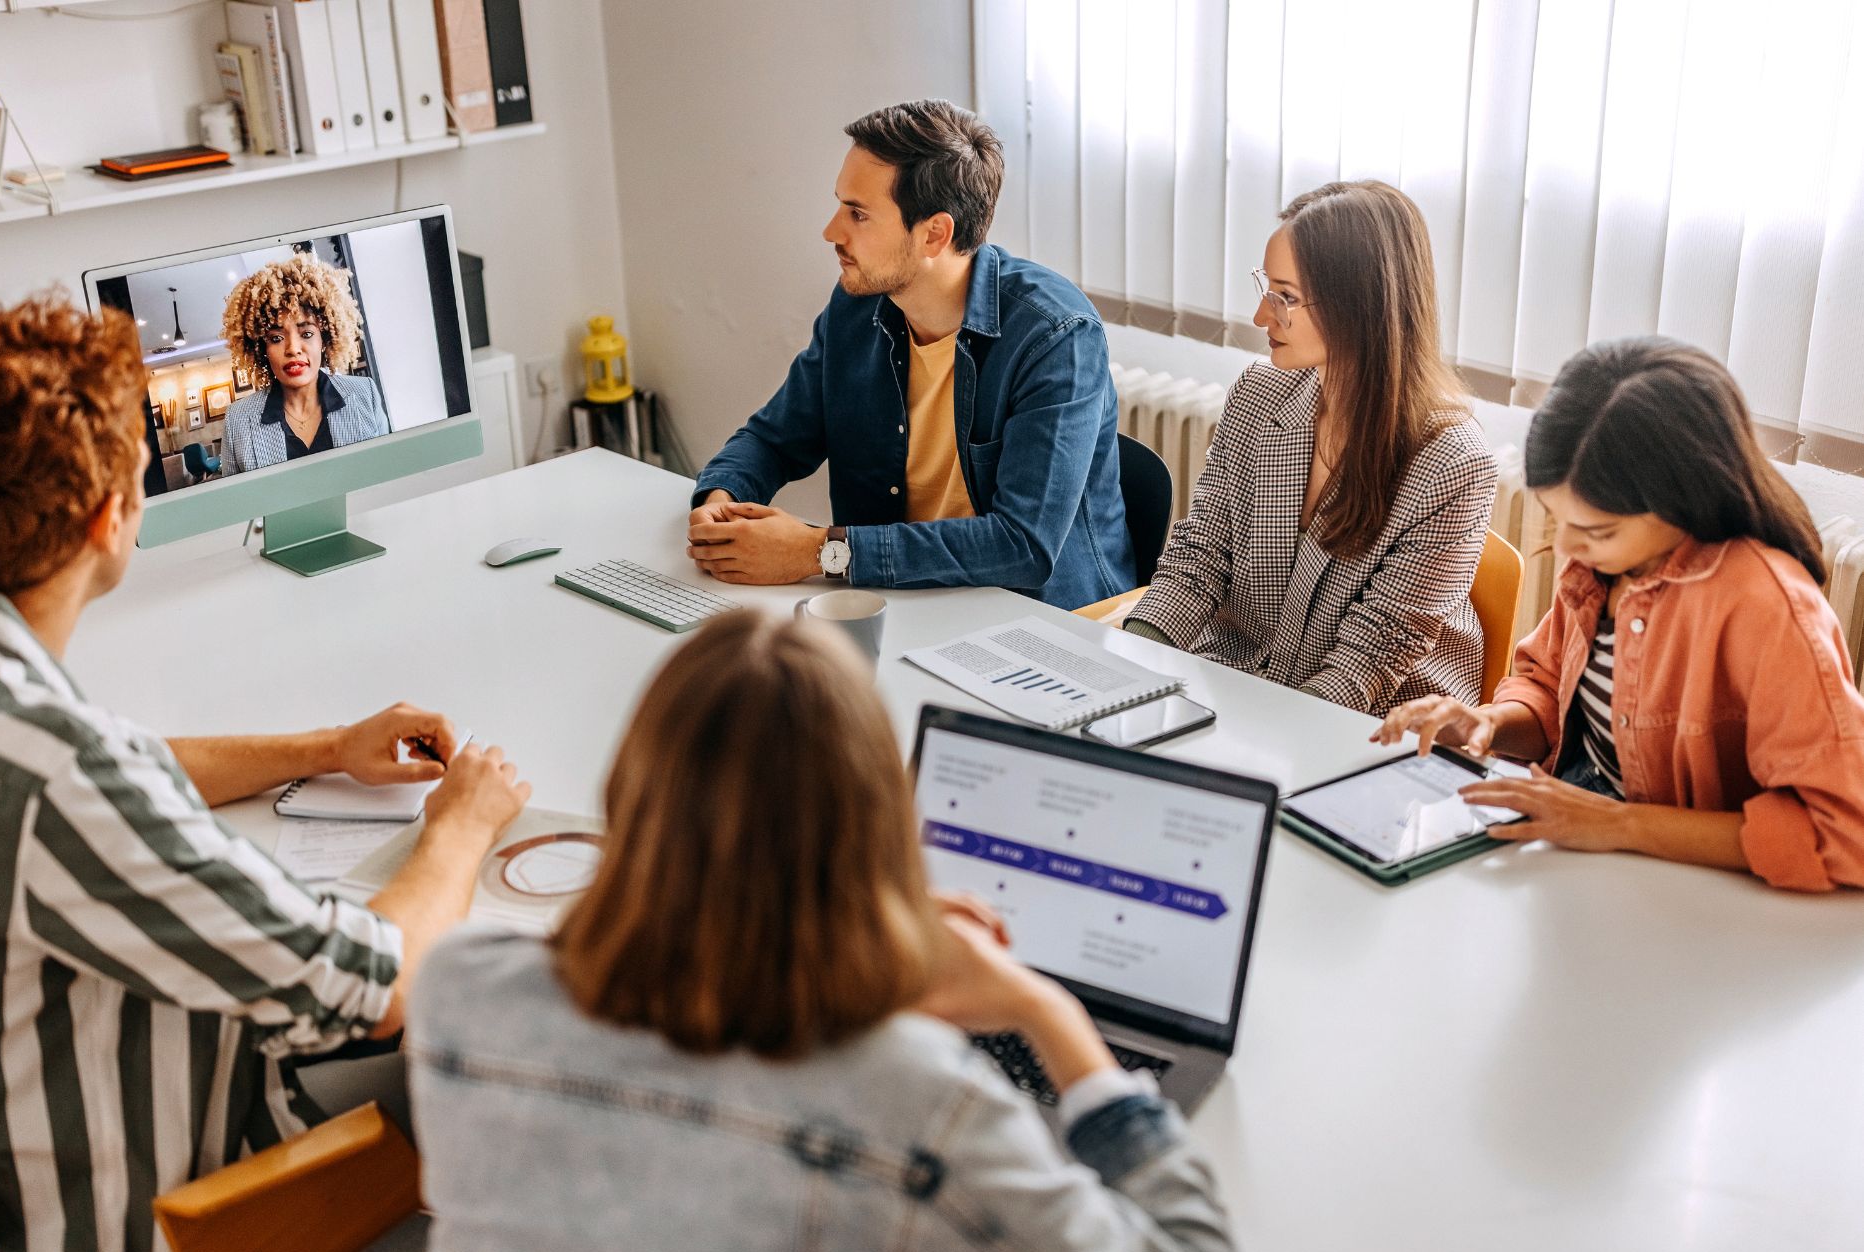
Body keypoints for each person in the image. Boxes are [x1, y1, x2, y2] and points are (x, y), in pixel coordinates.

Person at [0, 295, 530, 1252]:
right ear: (113, 516)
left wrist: (324, 747)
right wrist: (462, 824)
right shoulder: (60, 783)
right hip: (157, 1249)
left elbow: (118, 753)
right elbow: (377, 986)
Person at [408, 609, 1249, 1252]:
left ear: (632, 800)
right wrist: (1045, 1010)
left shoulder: (459, 991)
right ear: (880, 838)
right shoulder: (922, 1109)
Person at [1375, 337, 1864, 889]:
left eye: (1597, 530)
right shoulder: (1601, 569)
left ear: (1687, 497)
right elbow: (1544, 685)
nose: (1567, 548)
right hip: (1580, 850)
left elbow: (1845, 832)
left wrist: (1618, 823)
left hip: (1689, 888)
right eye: (1560, 521)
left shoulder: (1769, 609)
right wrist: (1489, 724)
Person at [685, 99, 1134, 611]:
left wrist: (820, 551)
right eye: (840, 205)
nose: (832, 232)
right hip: (903, 601)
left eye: (858, 214)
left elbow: (1023, 545)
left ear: (934, 234)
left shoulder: (1055, 336)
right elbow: (774, 439)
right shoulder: (858, 307)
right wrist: (717, 500)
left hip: (1043, 620)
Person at [1124, 180, 1497, 715]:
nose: (1260, 317)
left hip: (1376, 726)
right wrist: (1128, 660)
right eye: (1266, 288)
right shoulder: (1260, 394)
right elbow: (1198, 556)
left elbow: (1370, 660)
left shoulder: (1453, 463)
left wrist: (1246, 745)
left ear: (1361, 306)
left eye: (1286, 298)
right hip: (1243, 688)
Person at [220, 254, 390, 474]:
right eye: (276, 338)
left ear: (324, 339)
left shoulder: (365, 394)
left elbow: (386, 475)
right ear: (262, 349)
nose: (293, 348)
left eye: (307, 333)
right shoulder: (238, 421)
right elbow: (237, 505)